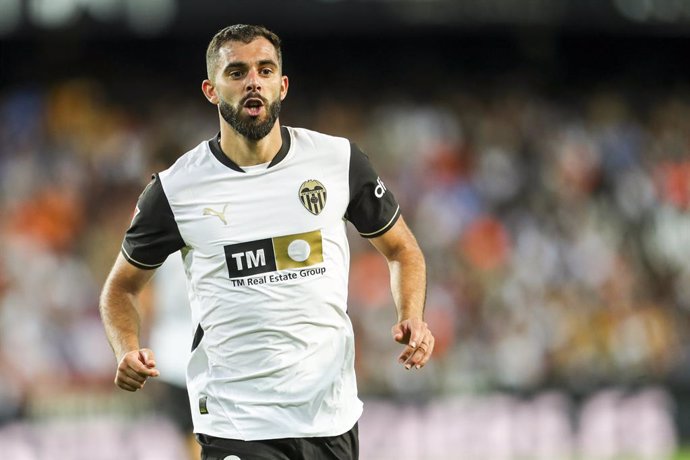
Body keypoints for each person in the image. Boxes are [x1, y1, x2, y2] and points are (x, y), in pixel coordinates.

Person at [99, 24, 434, 460]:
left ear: (283, 85)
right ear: (211, 90)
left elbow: (403, 250)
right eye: (236, 72)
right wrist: (126, 348)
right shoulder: (175, 190)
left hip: (329, 417)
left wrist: (413, 316)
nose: (253, 81)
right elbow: (119, 288)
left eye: (265, 69)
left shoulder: (337, 161)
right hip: (235, 421)